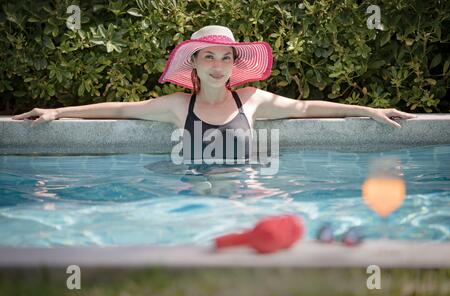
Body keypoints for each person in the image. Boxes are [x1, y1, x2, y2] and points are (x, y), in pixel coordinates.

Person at [12, 25, 416, 165]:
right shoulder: (177, 107)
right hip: (193, 186)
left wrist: (367, 108)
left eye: (226, 57)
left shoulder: (252, 100)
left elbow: (307, 106)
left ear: (233, 64)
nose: (219, 65)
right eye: (210, 57)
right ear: (196, 64)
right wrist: (57, 111)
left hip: (247, 187)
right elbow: (120, 108)